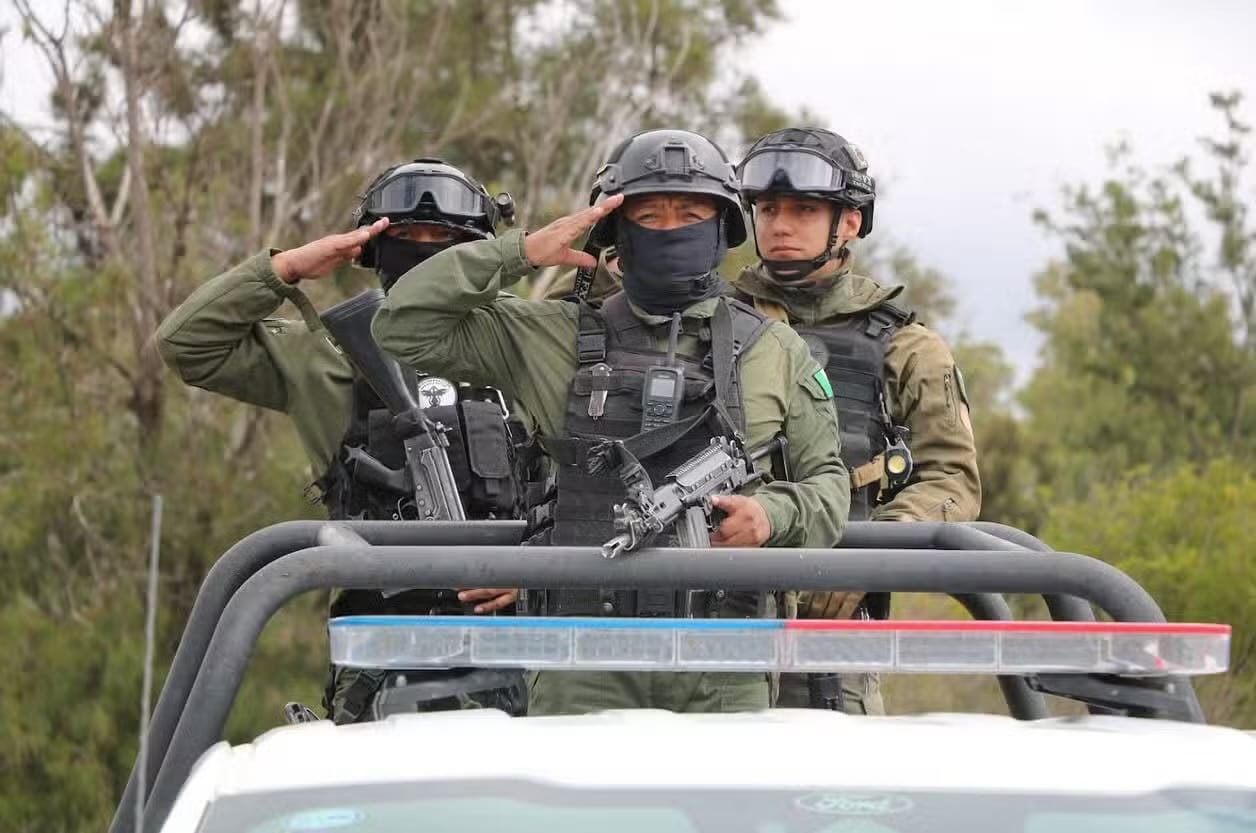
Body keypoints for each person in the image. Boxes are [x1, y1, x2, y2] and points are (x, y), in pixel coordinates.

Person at [371, 128, 850, 716]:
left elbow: (829, 488)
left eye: (690, 214)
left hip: (723, 656)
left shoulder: (775, 349)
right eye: (649, 216)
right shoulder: (550, 334)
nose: (670, 229)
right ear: (617, 231)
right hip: (581, 656)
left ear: (722, 228)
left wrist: (771, 515)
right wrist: (521, 253)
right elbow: (400, 323)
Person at [155, 157, 528, 723]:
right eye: (406, 237)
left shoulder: (525, 339)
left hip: (523, 648)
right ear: (373, 248)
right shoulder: (328, 355)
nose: (425, 252)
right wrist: (287, 268)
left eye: (444, 240)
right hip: (380, 660)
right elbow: (188, 343)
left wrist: (536, 568)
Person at [732, 127, 981, 715]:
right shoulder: (711, 322)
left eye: (803, 210)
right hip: (712, 618)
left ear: (848, 222)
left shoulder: (907, 346)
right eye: (767, 209)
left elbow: (952, 482)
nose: (780, 225)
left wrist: (868, 557)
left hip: (832, 633)